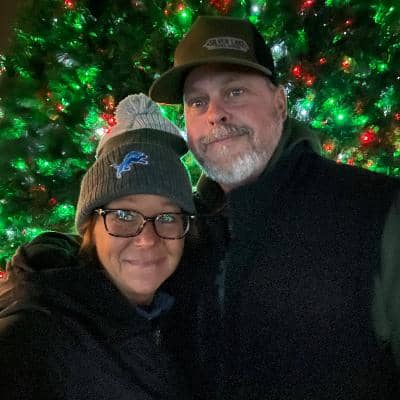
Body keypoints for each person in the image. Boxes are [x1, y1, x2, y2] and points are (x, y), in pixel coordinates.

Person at [149, 15, 400, 399]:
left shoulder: (376, 210)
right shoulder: (182, 232)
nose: (214, 113)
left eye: (235, 92)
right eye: (197, 102)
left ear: (280, 104)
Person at [0, 94, 196, 400]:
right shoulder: (33, 337)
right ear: (90, 228)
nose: (147, 238)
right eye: (124, 215)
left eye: (168, 217)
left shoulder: (176, 312)